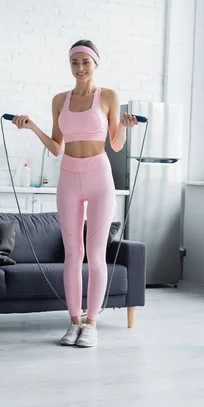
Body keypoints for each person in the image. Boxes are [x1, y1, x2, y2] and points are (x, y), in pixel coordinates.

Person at [13, 40, 138, 348]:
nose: (80, 68)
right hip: (69, 176)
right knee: (73, 254)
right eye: (74, 62)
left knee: (95, 254)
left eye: (85, 62)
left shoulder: (108, 96)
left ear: (96, 63)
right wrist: (32, 128)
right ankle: (73, 322)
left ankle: (92, 324)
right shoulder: (60, 100)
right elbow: (57, 146)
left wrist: (123, 126)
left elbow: (116, 144)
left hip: (98, 175)